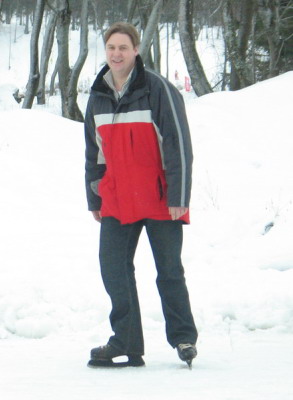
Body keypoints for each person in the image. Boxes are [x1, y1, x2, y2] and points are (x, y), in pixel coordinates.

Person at [84, 22, 198, 369]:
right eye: (111, 48)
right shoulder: (98, 95)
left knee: (169, 270)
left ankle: (183, 338)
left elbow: (178, 143)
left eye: (123, 47)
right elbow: (94, 153)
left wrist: (179, 195)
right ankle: (127, 341)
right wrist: (95, 199)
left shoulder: (157, 88)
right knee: (113, 268)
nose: (116, 54)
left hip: (160, 197)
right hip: (118, 198)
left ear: (135, 50)